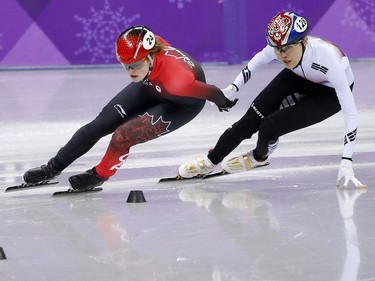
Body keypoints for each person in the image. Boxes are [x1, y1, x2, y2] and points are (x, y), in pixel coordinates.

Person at [23, 25, 238, 191]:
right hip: (152, 85)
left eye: (134, 65)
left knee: (123, 136)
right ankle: (52, 168)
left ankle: (99, 175)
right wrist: (140, 70)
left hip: (180, 104)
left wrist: (224, 102)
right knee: (99, 125)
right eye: (125, 65)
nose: (130, 71)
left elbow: (211, 92)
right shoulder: (145, 48)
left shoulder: (179, 80)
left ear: (151, 57)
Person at [178, 11, 366, 188]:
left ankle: (259, 157)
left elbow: (350, 112)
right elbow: (257, 62)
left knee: (270, 126)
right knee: (247, 122)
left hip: (329, 95)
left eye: (287, 49)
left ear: (304, 41)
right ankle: (211, 161)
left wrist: (347, 160)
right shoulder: (282, 48)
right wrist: (233, 88)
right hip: (298, 77)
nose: (282, 55)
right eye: (277, 50)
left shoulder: (330, 61)